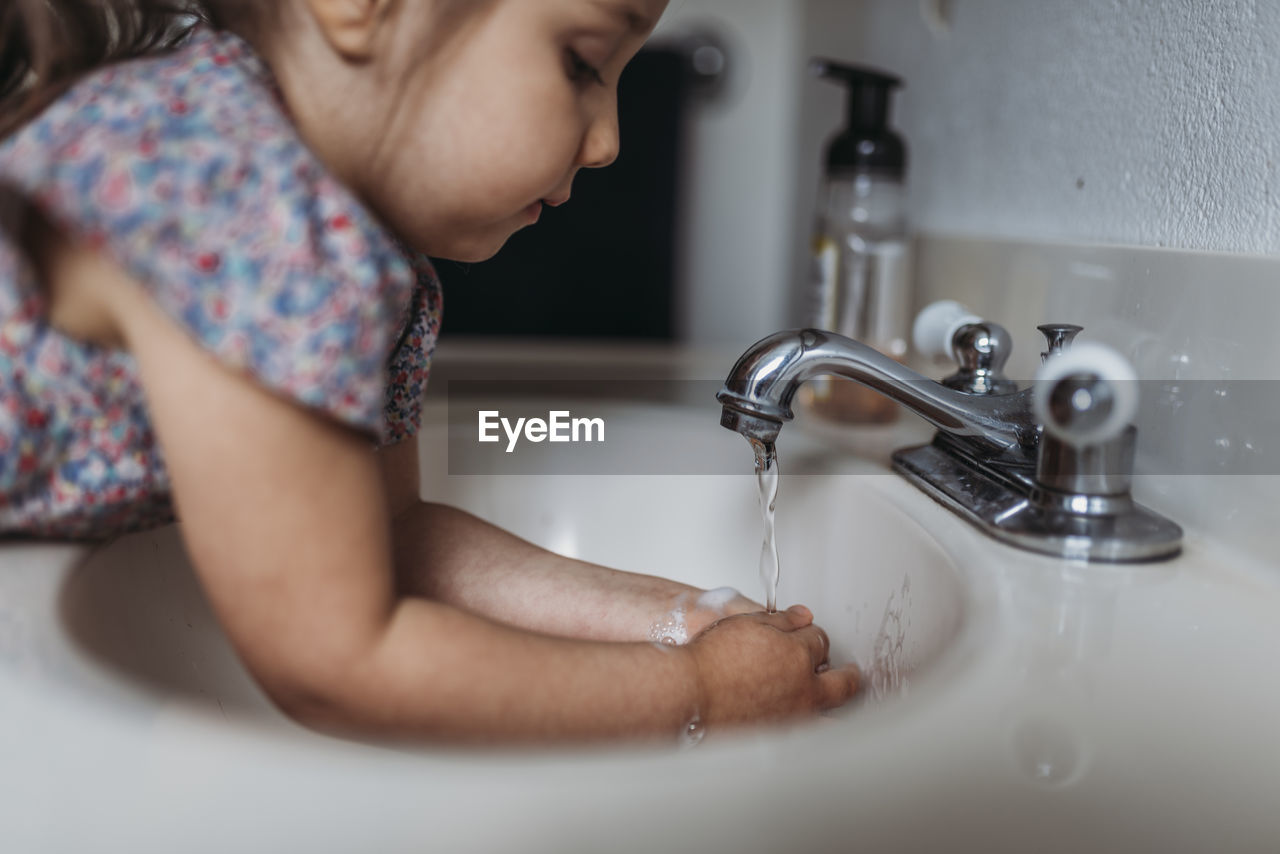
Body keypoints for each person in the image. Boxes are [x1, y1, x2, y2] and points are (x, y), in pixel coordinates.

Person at [0, 0, 860, 743]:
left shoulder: (359, 257)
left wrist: (684, 619)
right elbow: (335, 658)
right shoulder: (235, 192)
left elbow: (394, 533)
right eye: (582, 62)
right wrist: (702, 693)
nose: (608, 143)